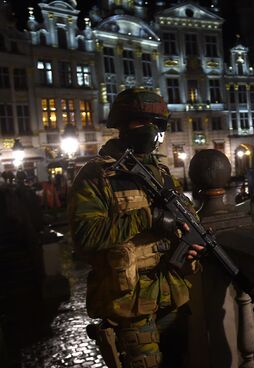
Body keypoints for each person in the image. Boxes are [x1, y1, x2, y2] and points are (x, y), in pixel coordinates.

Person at [68, 88, 204, 368]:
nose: (151, 131)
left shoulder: (161, 174)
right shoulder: (97, 175)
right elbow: (85, 237)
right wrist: (147, 218)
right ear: (123, 125)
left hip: (174, 299)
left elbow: (186, 221)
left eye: (157, 125)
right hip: (131, 307)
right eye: (143, 123)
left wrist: (190, 245)